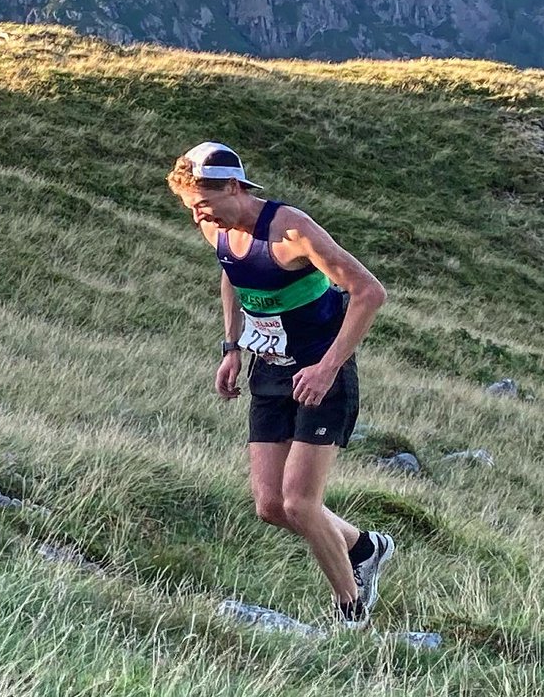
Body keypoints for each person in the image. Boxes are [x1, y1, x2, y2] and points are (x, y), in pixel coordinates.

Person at [167, 141, 394, 628]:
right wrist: (231, 348)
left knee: (299, 501)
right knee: (271, 505)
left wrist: (329, 366)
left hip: (320, 371)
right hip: (268, 369)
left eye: (202, 205)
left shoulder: (292, 231)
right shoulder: (216, 227)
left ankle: (351, 612)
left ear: (233, 186)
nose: (198, 218)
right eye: (191, 209)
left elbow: (369, 292)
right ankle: (364, 548)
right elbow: (232, 272)